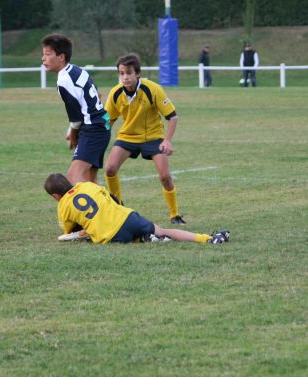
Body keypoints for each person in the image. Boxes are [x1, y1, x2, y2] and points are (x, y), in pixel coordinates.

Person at [104, 53, 186, 225]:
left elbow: (172, 117)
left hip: (153, 137)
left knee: (165, 176)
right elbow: (108, 120)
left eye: (128, 73)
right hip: (127, 136)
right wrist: (101, 140)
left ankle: (174, 214)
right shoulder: (115, 93)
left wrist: (167, 140)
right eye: (121, 73)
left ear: (137, 74)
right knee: (110, 169)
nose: (124, 77)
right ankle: (118, 207)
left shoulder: (152, 89)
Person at [44, 173, 230, 245]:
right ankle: (208, 238)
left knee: (135, 239)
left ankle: (147, 239)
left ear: (55, 197)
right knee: (162, 230)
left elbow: (70, 233)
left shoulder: (62, 207)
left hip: (111, 235)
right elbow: (113, 199)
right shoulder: (88, 185)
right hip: (128, 216)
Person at [41, 34, 111, 184]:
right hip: (101, 125)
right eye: (43, 54)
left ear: (61, 57)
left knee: (73, 178)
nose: (43, 59)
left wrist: (73, 132)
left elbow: (76, 116)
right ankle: (107, 206)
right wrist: (73, 129)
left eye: (47, 54)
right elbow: (96, 95)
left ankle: (114, 207)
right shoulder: (77, 70)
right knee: (90, 182)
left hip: (93, 129)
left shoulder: (64, 80)